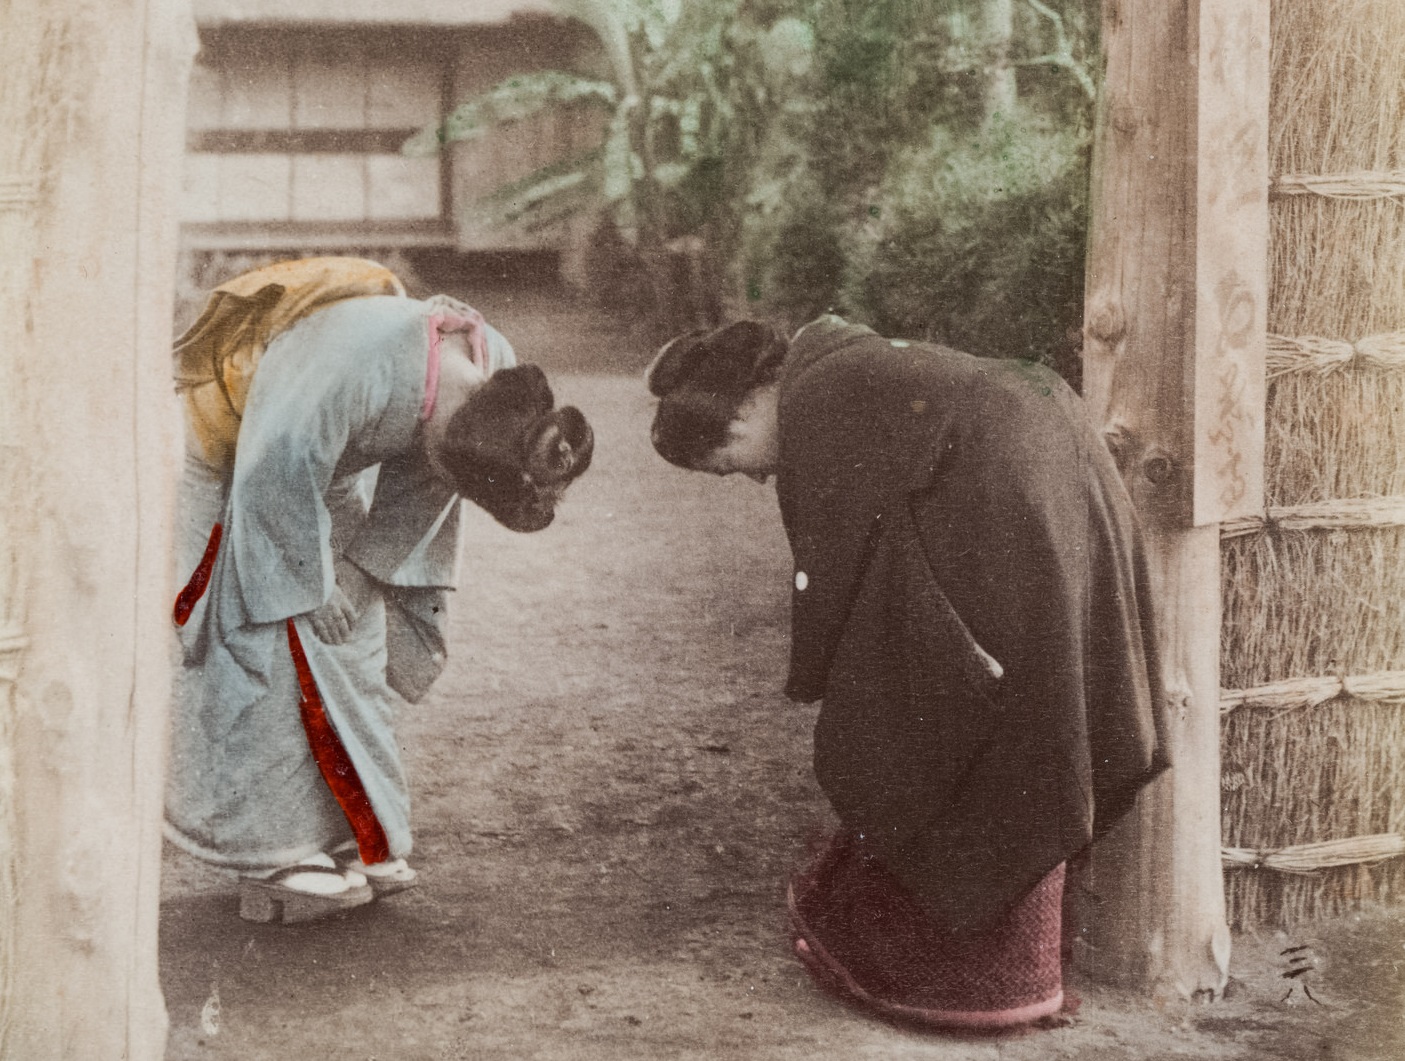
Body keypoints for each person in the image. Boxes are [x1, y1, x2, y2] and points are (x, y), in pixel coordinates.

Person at [646, 315, 1167, 1030]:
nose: (760, 477)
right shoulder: (837, 362)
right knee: (1037, 692)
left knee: (935, 712)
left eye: (734, 463)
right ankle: (1022, 967)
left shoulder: (817, 397)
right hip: (1055, 453)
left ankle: (967, 979)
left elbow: (829, 574)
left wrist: (821, 678)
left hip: (1008, 478)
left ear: (741, 411)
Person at [167, 258, 593, 923]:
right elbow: (270, 469)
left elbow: (433, 484)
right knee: (262, 632)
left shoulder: (498, 376)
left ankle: (350, 831)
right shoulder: (358, 363)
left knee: (354, 637)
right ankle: (268, 854)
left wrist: (359, 574)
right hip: (229, 451)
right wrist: (313, 585)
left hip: (324, 469)